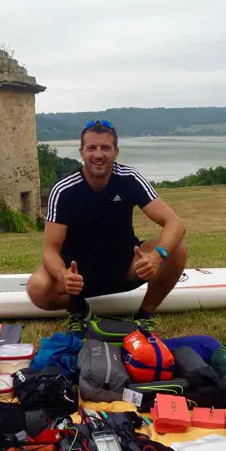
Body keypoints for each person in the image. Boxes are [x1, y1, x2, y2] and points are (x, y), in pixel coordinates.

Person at [26, 119, 188, 336]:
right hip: (79, 276)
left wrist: (157, 256)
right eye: (92, 148)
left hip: (125, 267)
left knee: (177, 248)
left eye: (105, 148)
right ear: (82, 152)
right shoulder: (63, 190)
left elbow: (175, 223)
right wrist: (63, 275)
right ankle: (78, 310)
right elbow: (50, 250)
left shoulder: (129, 178)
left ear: (116, 152)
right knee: (37, 288)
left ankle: (145, 316)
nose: (98, 154)